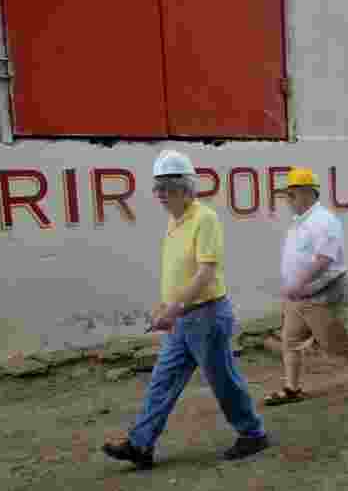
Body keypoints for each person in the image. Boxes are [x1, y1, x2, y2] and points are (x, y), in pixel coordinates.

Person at [102, 150, 269, 469]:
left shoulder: (205, 219)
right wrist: (167, 308)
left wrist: (174, 309)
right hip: (183, 318)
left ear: (184, 188)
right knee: (162, 380)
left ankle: (252, 434)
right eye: (157, 189)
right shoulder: (175, 222)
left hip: (206, 315)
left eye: (165, 188)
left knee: (223, 380)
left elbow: (205, 272)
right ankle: (141, 445)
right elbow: (178, 270)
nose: (159, 195)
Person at [264, 167, 348, 406]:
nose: (289, 199)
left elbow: (324, 259)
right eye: (288, 194)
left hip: (323, 295)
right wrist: (292, 286)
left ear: (308, 193)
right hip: (299, 297)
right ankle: (292, 388)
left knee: (338, 342)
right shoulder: (300, 222)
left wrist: (297, 283)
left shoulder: (324, 221)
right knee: (291, 341)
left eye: (292, 194)